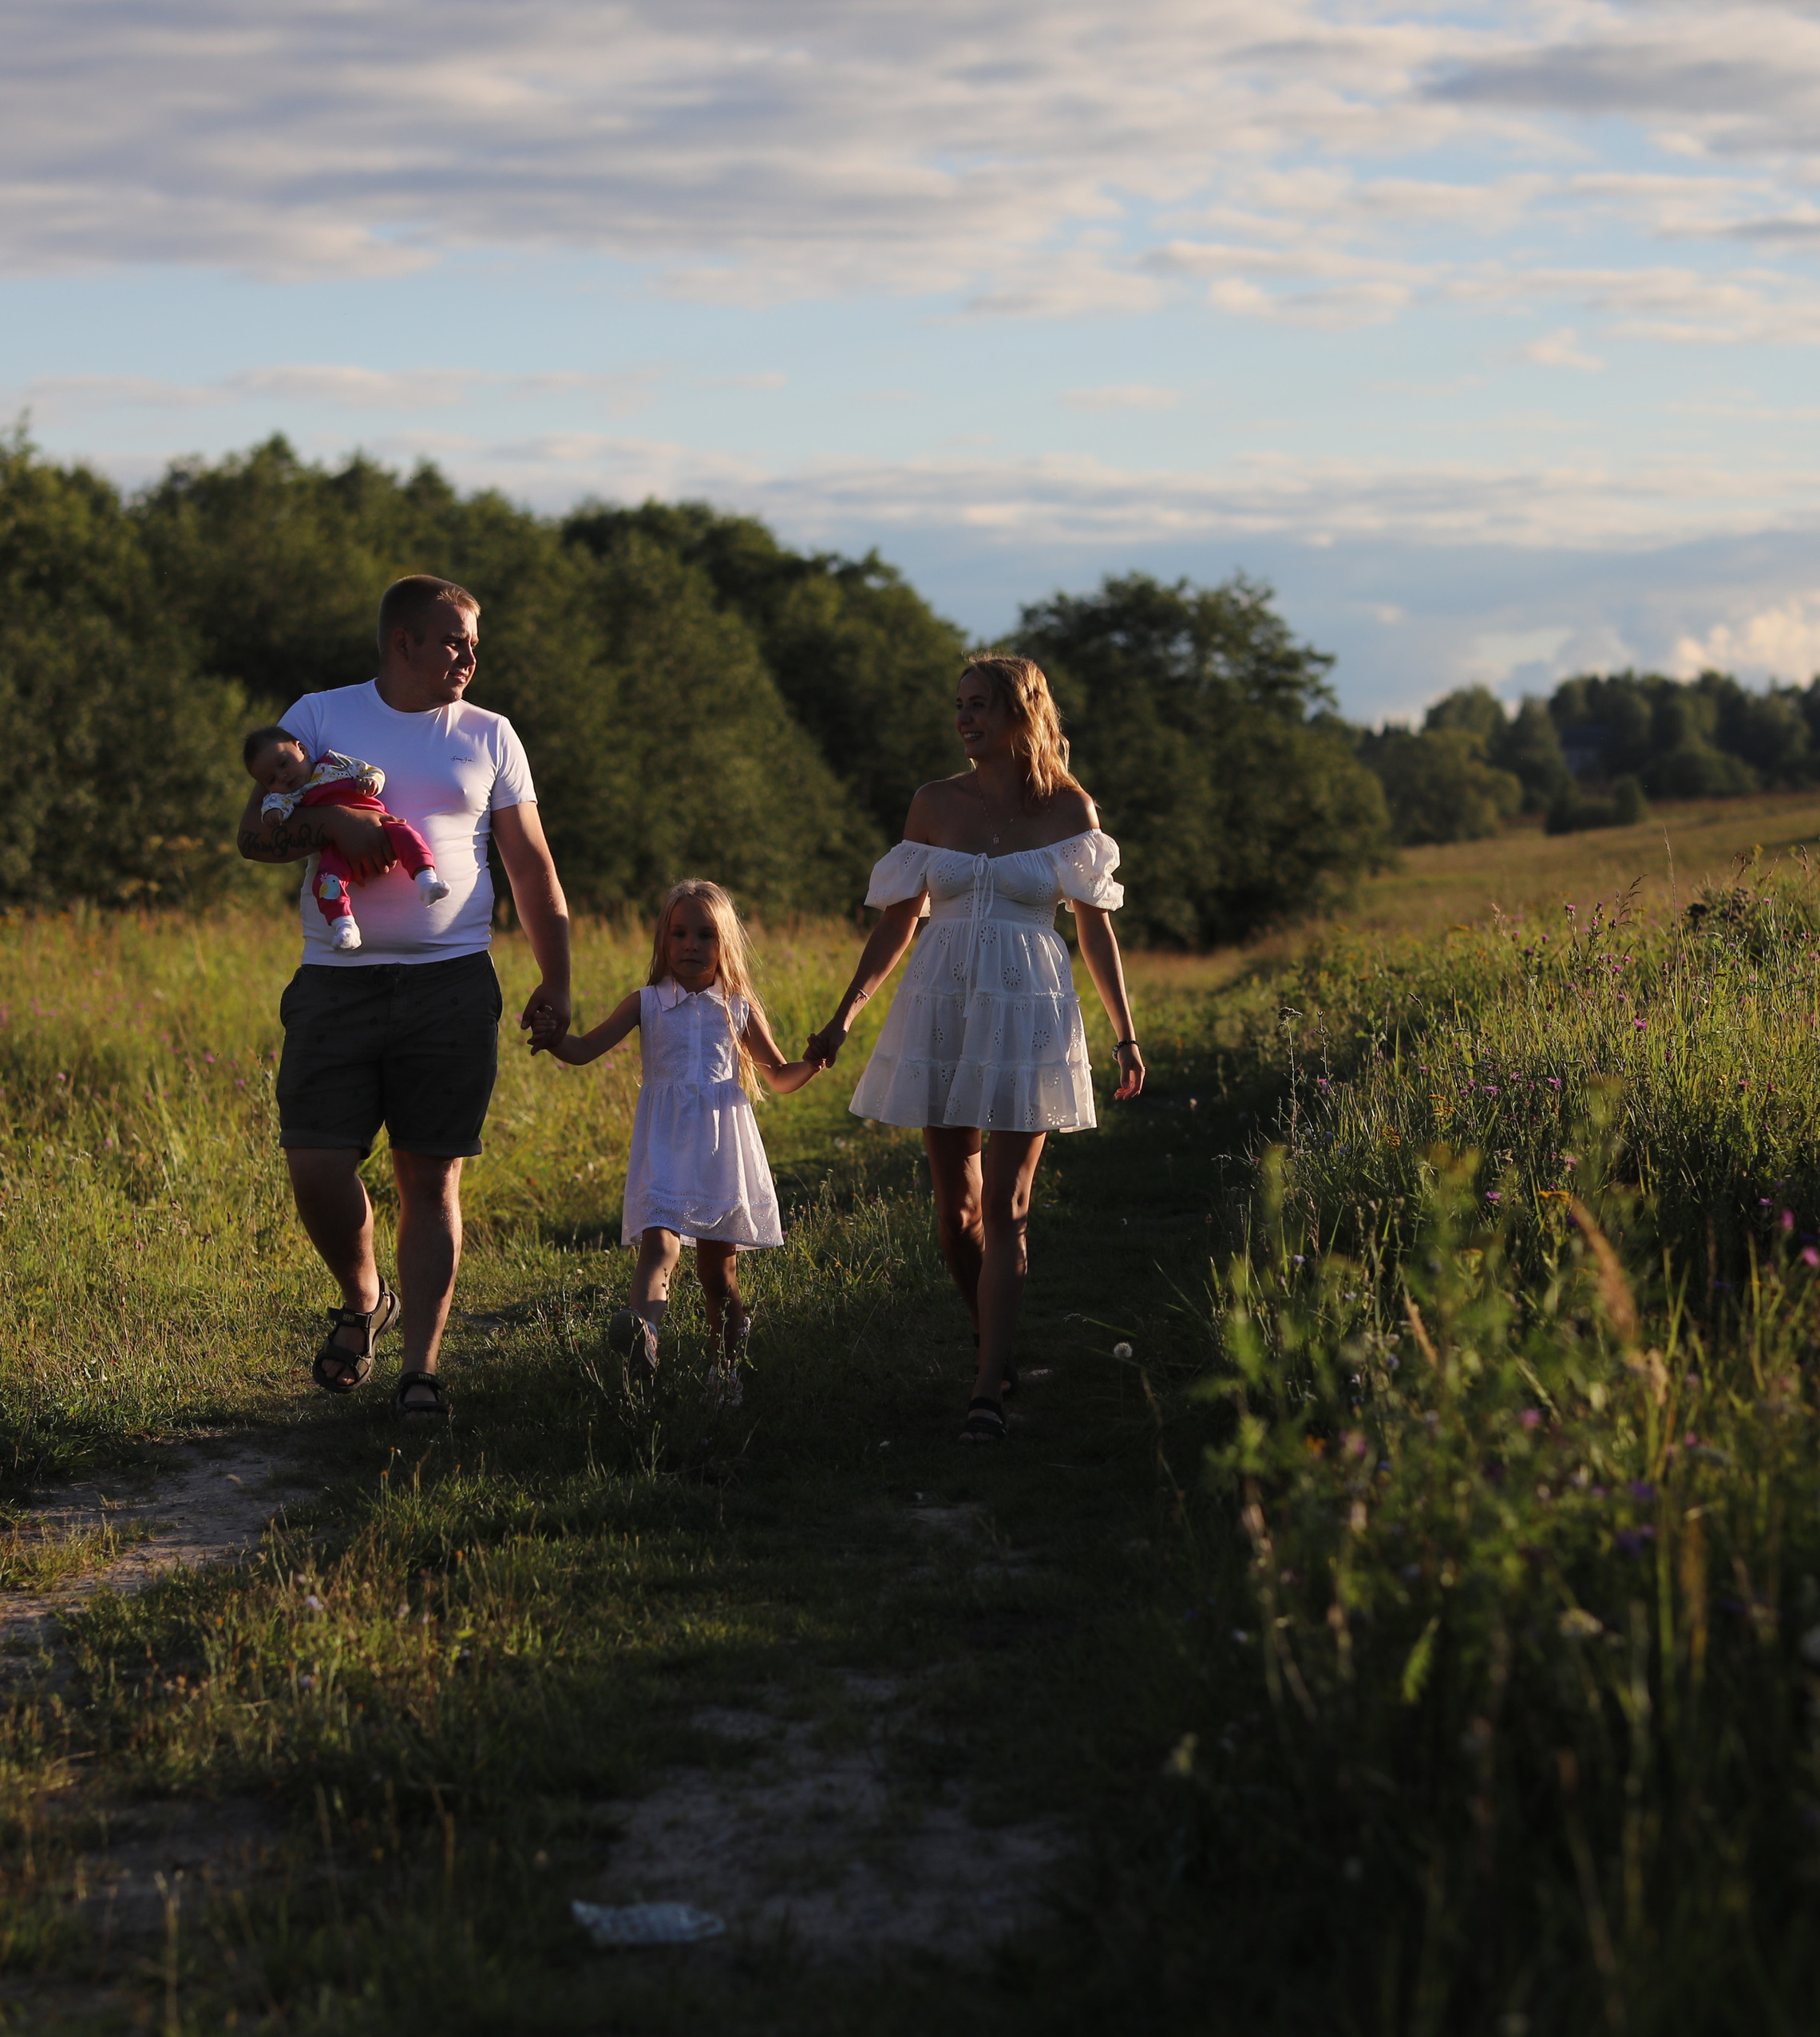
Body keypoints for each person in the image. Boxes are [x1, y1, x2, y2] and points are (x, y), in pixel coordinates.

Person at [235, 574, 571, 1420]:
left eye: (474, 643)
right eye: (455, 640)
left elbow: (530, 863)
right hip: (335, 982)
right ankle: (363, 1298)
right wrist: (332, 825)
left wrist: (558, 976)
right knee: (316, 1164)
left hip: (452, 983)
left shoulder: (490, 733)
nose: (470, 656)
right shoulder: (320, 717)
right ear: (403, 643)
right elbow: (255, 835)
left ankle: (421, 1369)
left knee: (431, 1177)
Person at [805, 655, 1143, 1445]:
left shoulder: (1070, 809)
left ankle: (988, 1387)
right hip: (943, 1009)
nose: (964, 718)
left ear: (1022, 712)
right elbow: (897, 922)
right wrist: (845, 1016)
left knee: (1006, 1207)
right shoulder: (933, 804)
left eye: (980, 705)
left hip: (1028, 1013)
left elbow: (1095, 930)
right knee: (955, 1215)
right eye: (959, 705)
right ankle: (993, 1337)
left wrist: (1125, 1034)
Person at [538, 880, 819, 1405]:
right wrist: (555, 1037)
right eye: (680, 933)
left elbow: (779, 1076)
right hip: (664, 1144)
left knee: (719, 1273)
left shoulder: (737, 1007)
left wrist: (814, 1061)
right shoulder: (645, 1003)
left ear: (724, 944)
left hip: (720, 1150)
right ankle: (644, 1338)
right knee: (658, 1245)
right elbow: (584, 1049)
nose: (691, 945)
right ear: (664, 941)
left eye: (705, 935)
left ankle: (725, 1371)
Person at [242, 727, 449, 951]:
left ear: (301, 748)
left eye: (284, 763)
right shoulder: (287, 797)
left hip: (382, 826)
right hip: (335, 849)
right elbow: (272, 808)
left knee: (407, 835)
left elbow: (371, 771)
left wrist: (372, 781)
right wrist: (273, 815)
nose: (283, 776)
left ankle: (426, 880)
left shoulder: (334, 762)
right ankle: (345, 926)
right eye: (271, 779)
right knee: (324, 882)